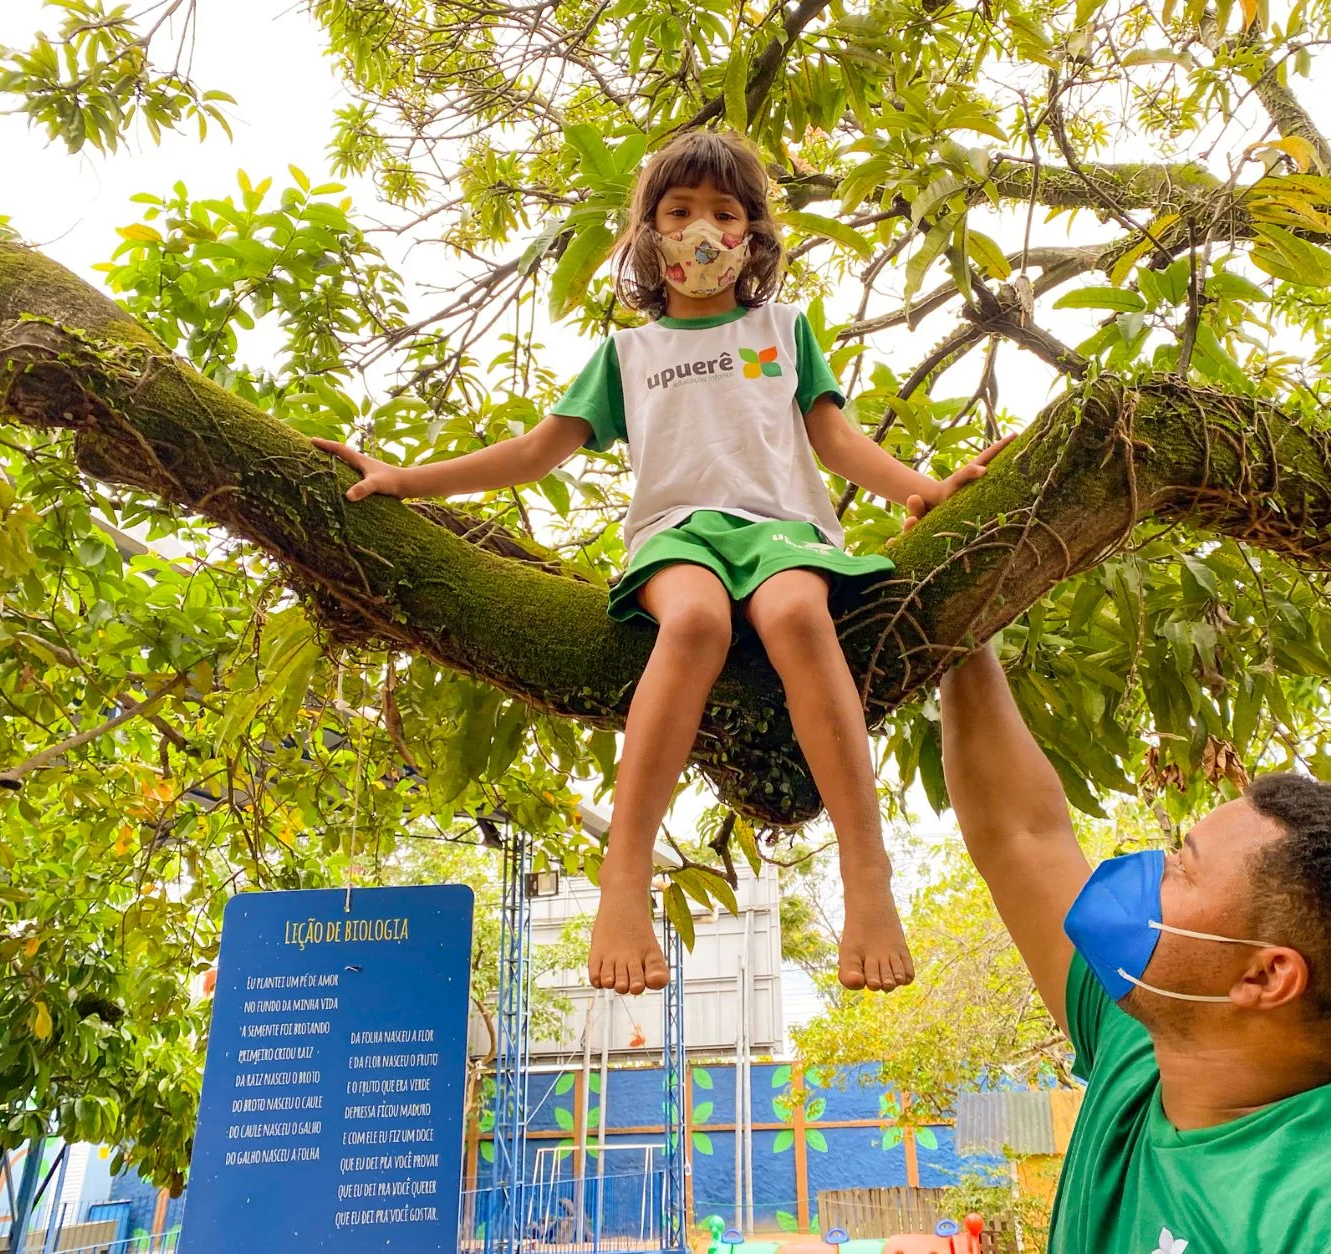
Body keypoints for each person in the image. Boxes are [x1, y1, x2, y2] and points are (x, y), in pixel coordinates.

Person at [313, 128, 999, 997]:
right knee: (698, 621)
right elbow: (534, 453)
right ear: (648, 236)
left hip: (783, 531)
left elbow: (835, 439)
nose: (702, 230)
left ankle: (868, 876)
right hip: (676, 535)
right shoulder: (627, 354)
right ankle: (624, 882)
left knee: (795, 613)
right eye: (680, 213)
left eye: (724, 211)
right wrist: (405, 478)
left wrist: (926, 488)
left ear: (752, 234)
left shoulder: (783, 330)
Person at [932, 643, 1331, 1252]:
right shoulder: (1144, 1056)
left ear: (1266, 977)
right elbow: (1022, 831)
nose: (1145, 869)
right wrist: (965, 628)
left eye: (1181, 866)